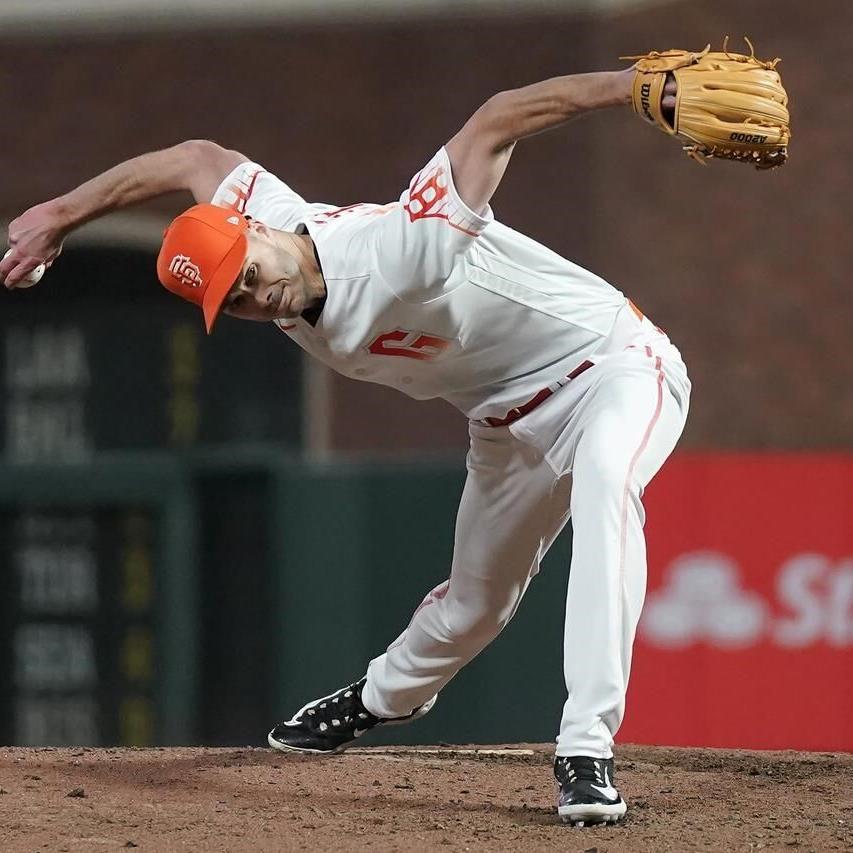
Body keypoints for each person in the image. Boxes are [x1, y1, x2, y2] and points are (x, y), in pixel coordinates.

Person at [2, 66, 689, 826]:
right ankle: (376, 699)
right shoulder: (264, 220)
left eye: (248, 275)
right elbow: (194, 159)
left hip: (613, 364)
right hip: (503, 420)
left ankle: (584, 748)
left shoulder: (400, 247)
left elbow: (496, 117)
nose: (254, 299)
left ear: (258, 231)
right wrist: (62, 214)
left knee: (604, 482)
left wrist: (635, 86)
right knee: (472, 605)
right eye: (232, 301)